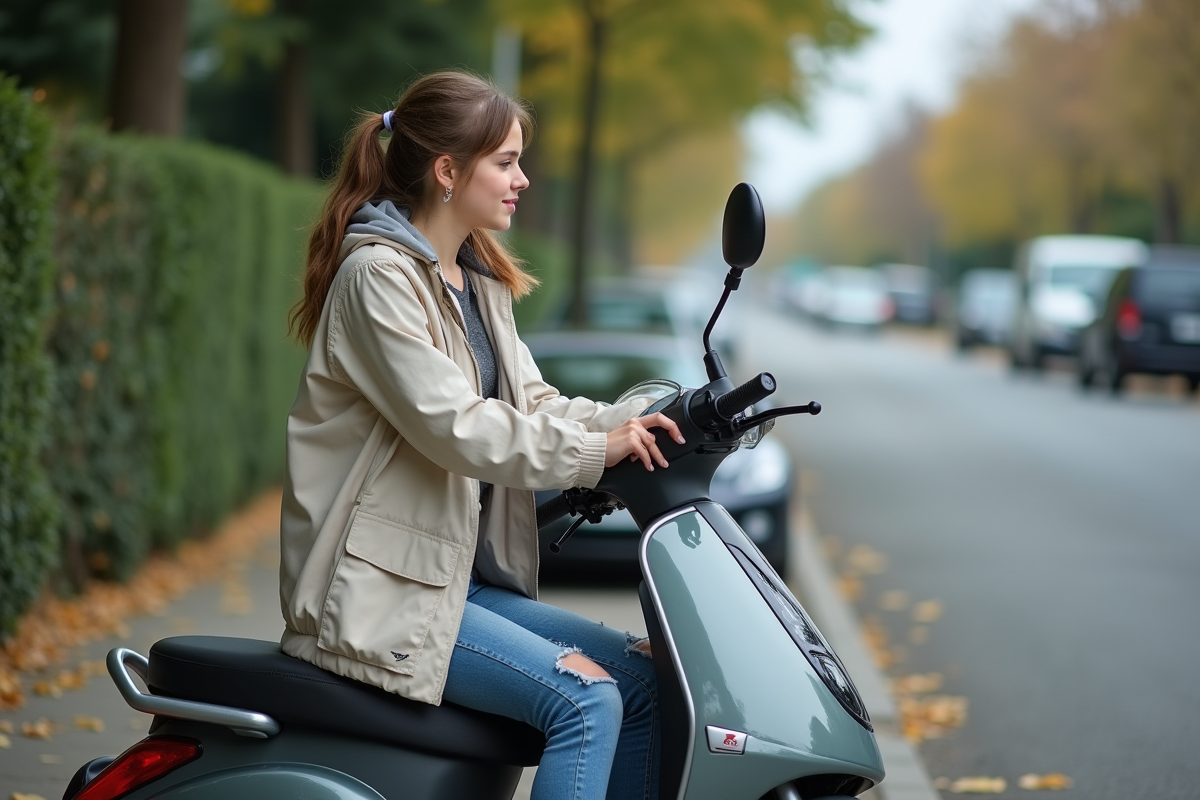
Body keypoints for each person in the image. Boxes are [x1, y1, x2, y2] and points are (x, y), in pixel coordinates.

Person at [279, 70, 682, 800]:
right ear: (446, 171)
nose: (521, 179)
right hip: (379, 590)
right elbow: (455, 427)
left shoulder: (476, 282)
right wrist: (598, 455)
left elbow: (537, 403)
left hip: (452, 579)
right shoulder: (377, 279)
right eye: (505, 161)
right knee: (587, 702)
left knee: (650, 684)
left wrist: (631, 425)